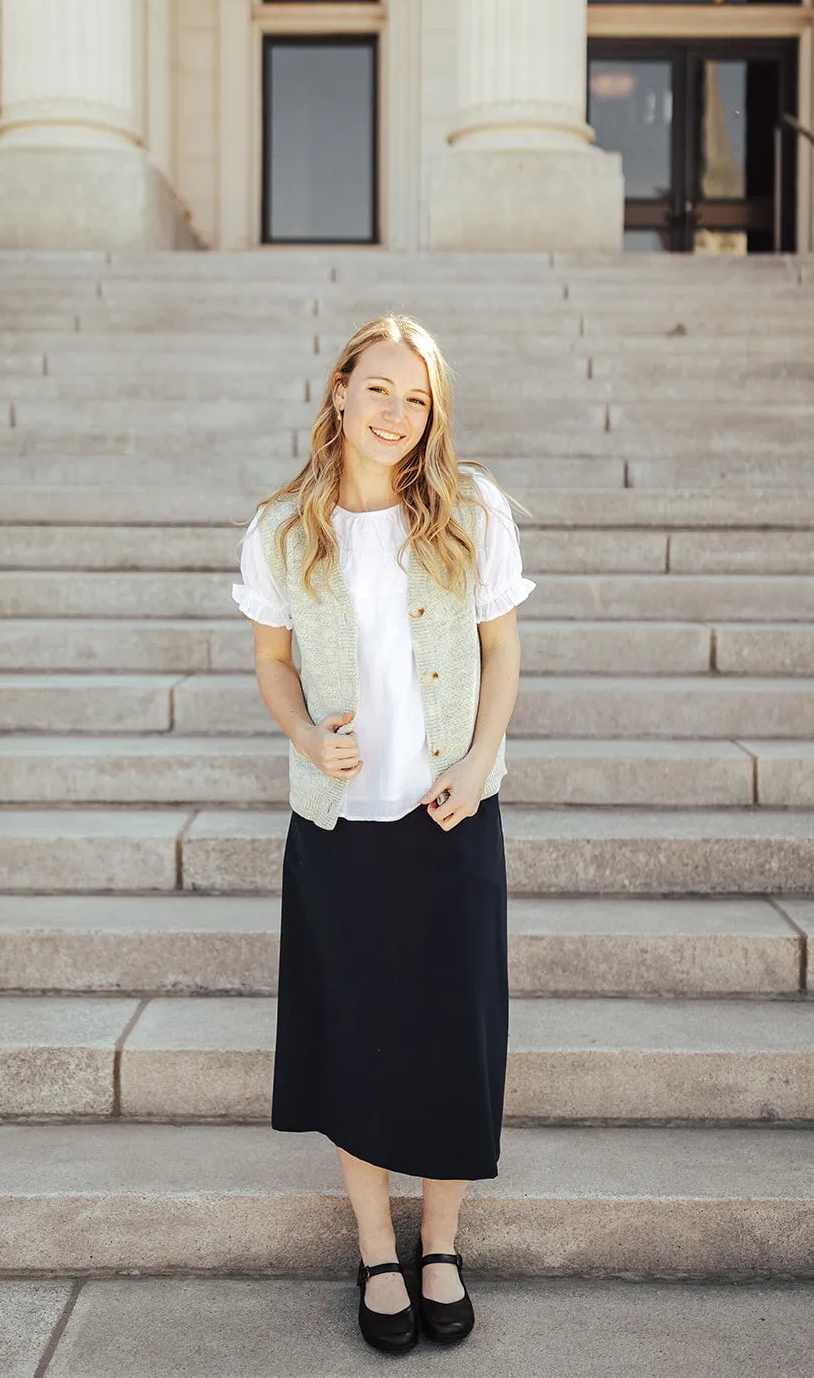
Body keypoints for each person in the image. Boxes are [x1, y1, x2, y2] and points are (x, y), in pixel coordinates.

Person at [231, 313, 535, 1353]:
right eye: (378, 390)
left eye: (416, 397)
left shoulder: (470, 509)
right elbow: (272, 662)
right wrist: (305, 733)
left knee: (453, 1037)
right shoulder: (280, 526)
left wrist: (475, 760)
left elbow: (502, 651)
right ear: (339, 392)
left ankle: (440, 1244)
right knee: (352, 1047)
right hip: (339, 828)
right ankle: (374, 1248)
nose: (395, 413)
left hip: (448, 818)